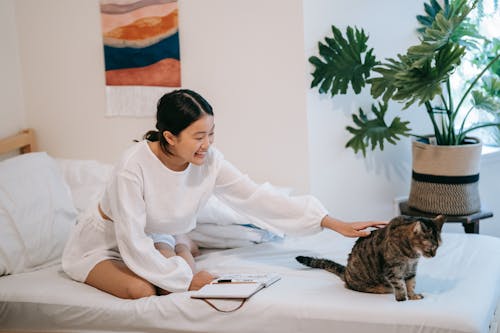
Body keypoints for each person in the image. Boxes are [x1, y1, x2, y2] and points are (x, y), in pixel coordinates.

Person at [62, 89, 386, 299]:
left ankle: (180, 243)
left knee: (171, 278)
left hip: (156, 234)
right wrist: (187, 280)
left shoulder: (208, 161)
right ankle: (181, 245)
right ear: (170, 137)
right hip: (107, 243)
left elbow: (256, 197)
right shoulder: (131, 168)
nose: (208, 144)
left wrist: (330, 222)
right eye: (199, 136)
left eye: (212, 133)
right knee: (142, 290)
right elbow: (131, 239)